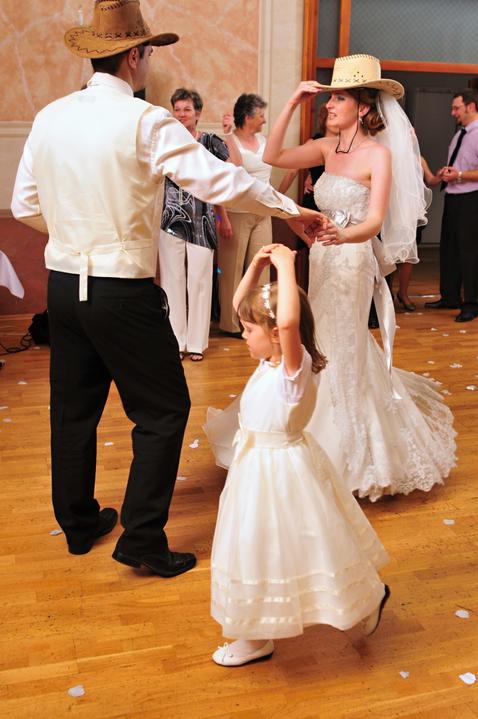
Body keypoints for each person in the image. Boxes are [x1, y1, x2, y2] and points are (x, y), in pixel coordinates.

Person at [10, 0, 322, 576]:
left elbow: (23, 203)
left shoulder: (50, 116)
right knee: (164, 409)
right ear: (135, 56)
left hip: (63, 288)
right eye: (149, 53)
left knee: (73, 413)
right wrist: (290, 208)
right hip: (120, 293)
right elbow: (220, 181)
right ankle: (142, 539)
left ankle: (78, 523)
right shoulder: (145, 121)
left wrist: (78, 235)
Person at [263, 54, 456, 501]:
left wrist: (341, 234)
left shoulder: (379, 155)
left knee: (342, 342)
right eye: (329, 98)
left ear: (363, 107)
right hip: (323, 258)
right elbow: (273, 156)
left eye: (339, 99)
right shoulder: (325, 148)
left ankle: (347, 442)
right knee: (317, 336)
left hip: (351, 259)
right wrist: (292, 101)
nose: (329, 106)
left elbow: (374, 222)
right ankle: (307, 420)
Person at [209, 243, 390, 667]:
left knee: (300, 545)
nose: (243, 335)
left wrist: (286, 266)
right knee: (259, 548)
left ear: (276, 333)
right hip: (255, 470)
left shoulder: (293, 369)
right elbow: (241, 304)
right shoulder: (269, 360)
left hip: (280, 473)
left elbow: (288, 320)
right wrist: (257, 266)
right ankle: (256, 634)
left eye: (250, 330)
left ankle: (364, 598)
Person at [159, 88, 231, 362]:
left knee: (200, 281)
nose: (181, 114)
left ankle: (197, 343)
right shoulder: (165, 142)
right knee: (172, 280)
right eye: (177, 109)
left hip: (203, 220)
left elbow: (231, 170)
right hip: (170, 219)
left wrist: (229, 132)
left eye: (187, 109)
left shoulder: (211, 142)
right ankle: (176, 341)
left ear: (198, 113)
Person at [218, 94, 274, 336]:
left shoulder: (264, 140)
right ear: (248, 117)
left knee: (262, 267)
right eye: (260, 115)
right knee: (232, 271)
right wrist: (228, 134)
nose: (264, 120)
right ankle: (231, 324)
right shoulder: (228, 141)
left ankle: (259, 321)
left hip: (263, 211)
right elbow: (236, 167)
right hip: (237, 211)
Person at [425, 89, 478, 322]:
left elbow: (467, 171)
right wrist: (446, 173)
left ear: (471, 106)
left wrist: (459, 175)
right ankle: (450, 297)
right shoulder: (459, 135)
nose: (452, 112)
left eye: (456, 108)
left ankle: (472, 304)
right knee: (449, 249)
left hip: (472, 199)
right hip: (453, 196)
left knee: (469, 252)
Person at [393, 156, 440, 312]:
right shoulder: (386, 153)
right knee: (389, 256)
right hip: (392, 212)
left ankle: (403, 293)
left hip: (411, 213)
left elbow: (431, 180)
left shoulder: (419, 158)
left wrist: (439, 176)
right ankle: (386, 294)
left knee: (409, 256)